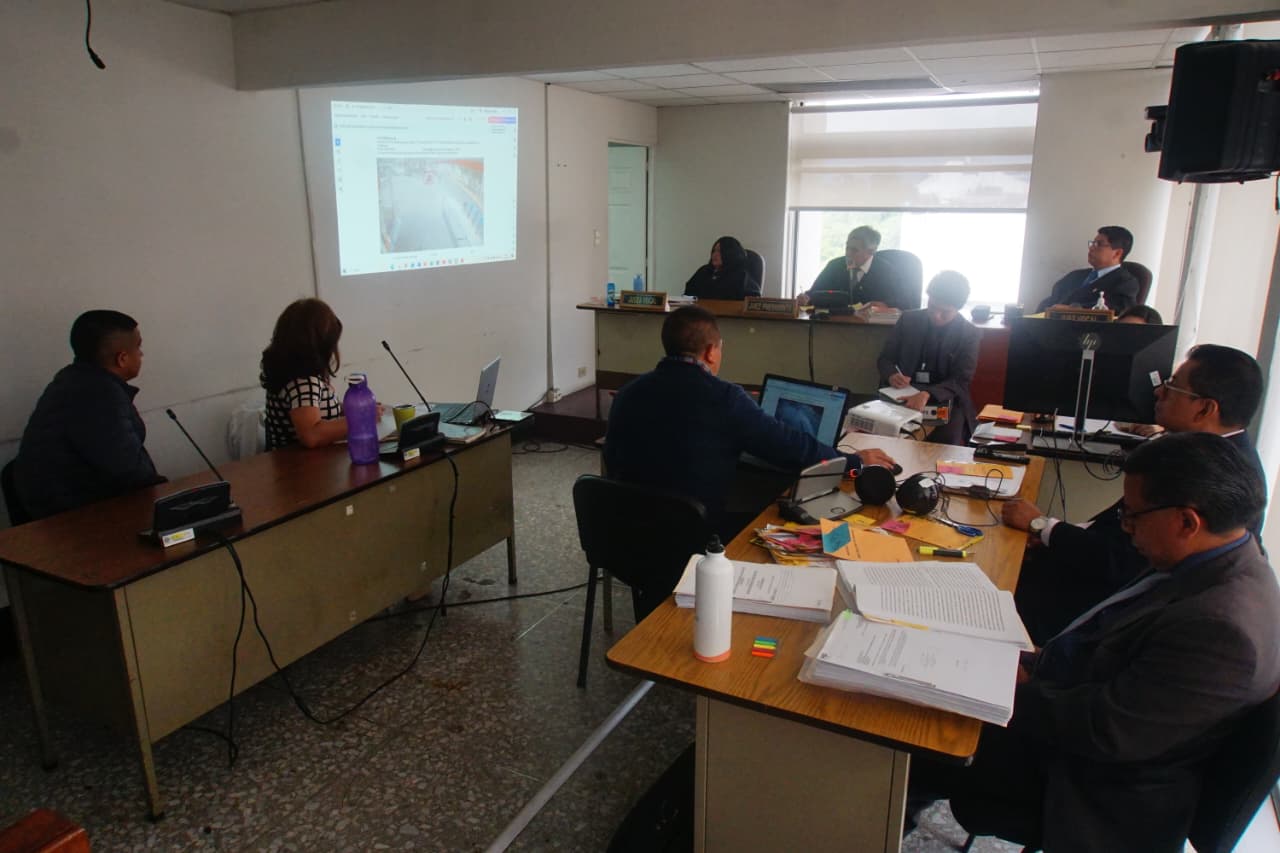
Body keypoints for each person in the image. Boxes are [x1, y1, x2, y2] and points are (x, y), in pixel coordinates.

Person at [909, 432, 1280, 853]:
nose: (1126, 528)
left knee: (916, 738)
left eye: (1133, 516)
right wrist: (1029, 663)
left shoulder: (1222, 628)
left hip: (1092, 785)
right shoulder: (1218, 558)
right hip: (1074, 707)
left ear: (1186, 521)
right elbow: (1105, 639)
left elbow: (1105, 732)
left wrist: (1003, 688)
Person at [1005, 343, 1267, 643]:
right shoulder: (1204, 450)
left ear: (1205, 408)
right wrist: (1051, 532)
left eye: (1171, 387)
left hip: (1095, 610)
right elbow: (1119, 527)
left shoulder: (1214, 473)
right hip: (1093, 582)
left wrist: (1046, 527)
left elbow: (1125, 563)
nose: (1158, 392)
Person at [604, 306, 895, 541]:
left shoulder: (628, 393)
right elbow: (790, 447)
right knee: (775, 517)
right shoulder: (725, 399)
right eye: (719, 348)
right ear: (710, 352)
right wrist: (854, 461)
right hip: (694, 535)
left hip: (626, 532)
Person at [13, 310, 164, 520]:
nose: (141, 355)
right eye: (138, 347)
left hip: (71, 506)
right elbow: (128, 470)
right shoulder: (98, 395)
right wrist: (167, 498)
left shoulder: (72, 379)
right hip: (72, 520)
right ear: (122, 358)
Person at [875, 271, 980, 444]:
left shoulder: (969, 334)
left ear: (958, 308)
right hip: (901, 394)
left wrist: (927, 394)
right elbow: (885, 359)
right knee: (885, 438)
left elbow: (961, 379)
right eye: (932, 307)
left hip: (945, 398)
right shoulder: (908, 320)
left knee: (943, 446)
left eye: (944, 312)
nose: (936, 316)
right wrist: (892, 374)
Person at [261, 298, 355, 450]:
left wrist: (357, 408)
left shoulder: (292, 372)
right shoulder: (303, 382)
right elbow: (311, 434)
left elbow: (316, 410)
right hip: (304, 469)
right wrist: (363, 418)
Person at [797, 226, 911, 310]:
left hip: (872, 330)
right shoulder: (834, 266)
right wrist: (806, 298)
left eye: (854, 250)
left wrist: (885, 305)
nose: (848, 254)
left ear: (870, 252)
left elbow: (905, 303)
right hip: (835, 325)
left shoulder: (887, 271)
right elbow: (815, 293)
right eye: (847, 248)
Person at [1035, 226, 1140, 313]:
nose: (1091, 248)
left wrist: (1072, 310)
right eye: (1092, 243)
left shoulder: (1125, 282)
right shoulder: (1075, 276)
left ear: (1117, 253)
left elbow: (1116, 311)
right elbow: (1050, 301)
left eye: (1098, 244)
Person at [683, 236, 761, 300]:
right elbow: (688, 294)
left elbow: (752, 300)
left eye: (720, 251)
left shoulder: (740, 276)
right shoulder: (703, 271)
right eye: (714, 251)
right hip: (699, 314)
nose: (715, 254)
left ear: (731, 254)